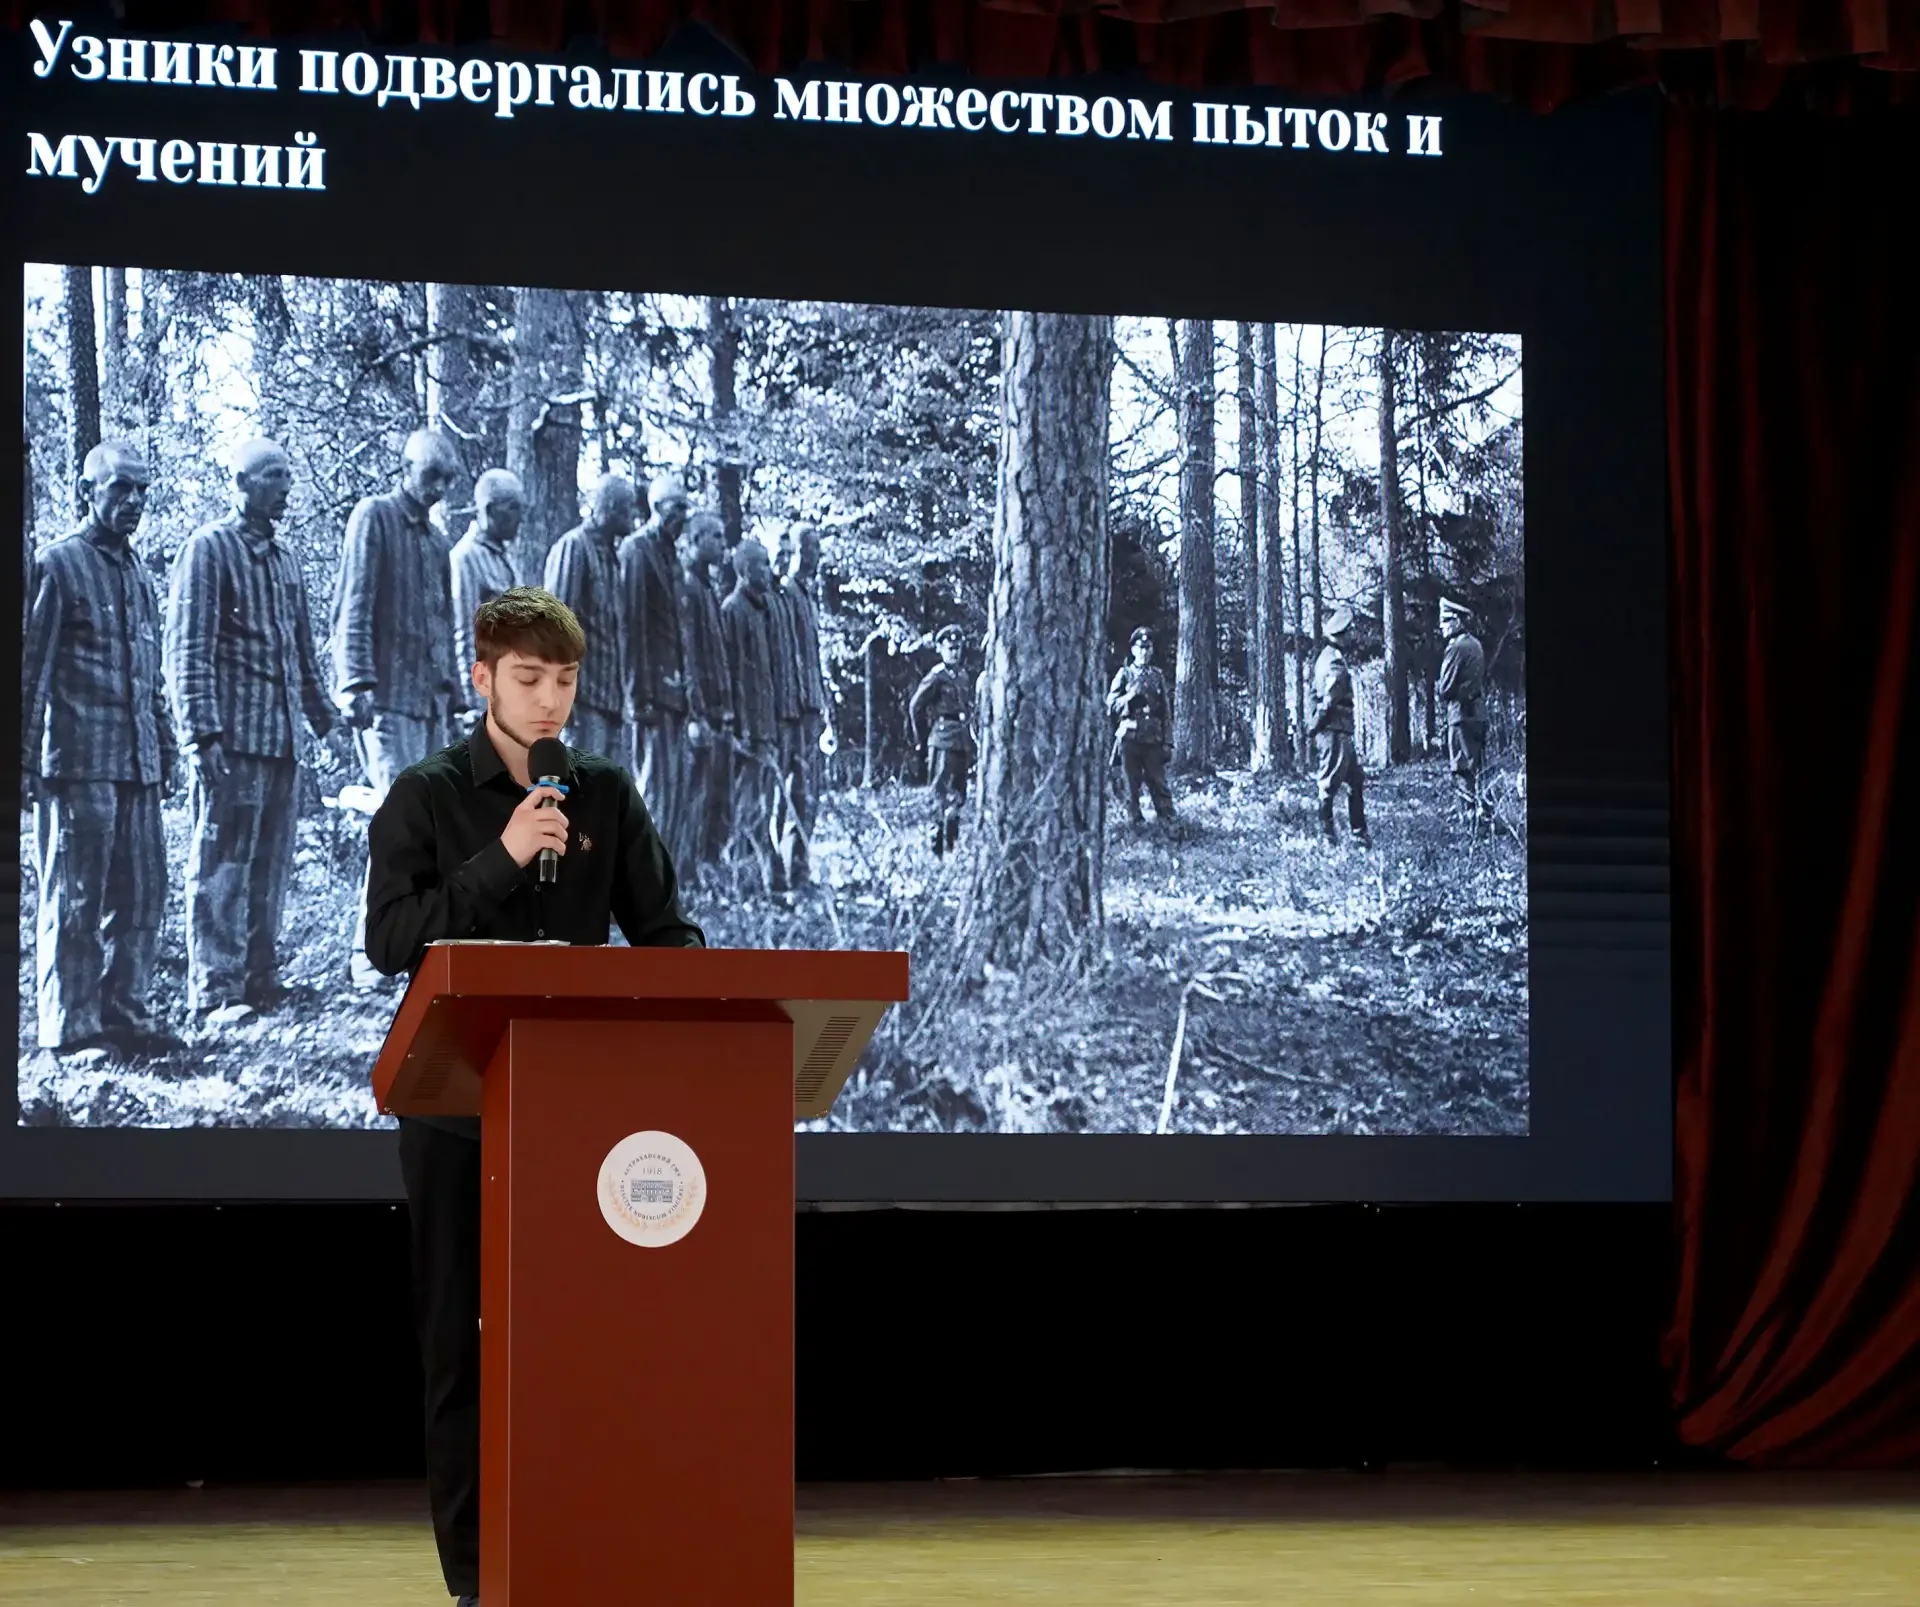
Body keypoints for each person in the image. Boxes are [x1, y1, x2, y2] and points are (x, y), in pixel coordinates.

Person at [365, 586, 701, 1607]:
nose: (549, 700)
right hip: (454, 1110)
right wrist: (503, 859)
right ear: (482, 678)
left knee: (582, 1339)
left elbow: (667, 935)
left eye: (564, 680)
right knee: (457, 1346)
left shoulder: (604, 791)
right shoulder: (425, 793)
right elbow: (391, 939)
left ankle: (584, 1545)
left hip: (579, 1115)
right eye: (527, 678)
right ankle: (477, 1577)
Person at [165, 438, 336, 1024]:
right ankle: (216, 990)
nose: (286, 487)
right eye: (274, 476)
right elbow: (188, 650)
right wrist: (200, 735)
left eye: (288, 476)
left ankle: (261, 977)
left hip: (282, 740)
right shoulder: (208, 549)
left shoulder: (286, 560)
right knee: (223, 865)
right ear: (240, 482)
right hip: (230, 743)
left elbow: (303, 654)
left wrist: (326, 725)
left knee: (271, 865)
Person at [22, 440, 180, 1056]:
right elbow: (30, 674)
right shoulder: (57, 565)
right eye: (120, 488)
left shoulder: (139, 575)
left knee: (142, 893)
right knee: (75, 896)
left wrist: (164, 749)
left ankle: (126, 1015)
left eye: (142, 490)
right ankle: (71, 1028)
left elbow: (151, 676)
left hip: (137, 763)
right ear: (87, 491)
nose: (134, 500)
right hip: (78, 762)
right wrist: (22, 763)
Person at [332, 428, 468, 988]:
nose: (438, 487)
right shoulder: (374, 517)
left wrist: (455, 695)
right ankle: (368, 954)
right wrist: (354, 684)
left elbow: (444, 624)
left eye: (446, 479)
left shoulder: (437, 543)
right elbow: (354, 604)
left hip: (430, 704)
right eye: (430, 475)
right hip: (386, 702)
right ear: (405, 470)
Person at [621, 472, 692, 854]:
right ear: (658, 507)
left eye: (685, 508)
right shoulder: (637, 551)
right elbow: (632, 627)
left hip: (676, 696)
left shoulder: (671, 556)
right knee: (653, 790)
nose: (683, 516)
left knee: (675, 791)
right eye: (677, 507)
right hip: (652, 696)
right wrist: (638, 695)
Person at [543, 473, 634, 759]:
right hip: (583, 701)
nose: (634, 516)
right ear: (612, 509)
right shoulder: (575, 547)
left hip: (611, 701)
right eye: (629, 508)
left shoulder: (612, 558)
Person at [719, 536, 783, 894]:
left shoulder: (763, 611)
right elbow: (732, 676)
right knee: (746, 807)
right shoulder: (733, 610)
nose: (769, 571)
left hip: (765, 727)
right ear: (745, 569)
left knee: (763, 804)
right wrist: (739, 727)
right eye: (763, 564)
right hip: (748, 730)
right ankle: (742, 880)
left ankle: (757, 879)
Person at [677, 511, 735, 870]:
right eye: (715, 536)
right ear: (696, 540)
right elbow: (688, 655)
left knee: (715, 794)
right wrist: (695, 713)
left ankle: (707, 867)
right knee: (694, 795)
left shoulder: (708, 589)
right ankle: (686, 870)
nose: (722, 544)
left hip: (717, 712)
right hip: (700, 714)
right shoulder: (687, 587)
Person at [774, 523, 830, 888]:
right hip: (791, 710)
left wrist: (822, 703)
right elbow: (787, 656)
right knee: (791, 790)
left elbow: (812, 658)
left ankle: (799, 867)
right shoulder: (785, 595)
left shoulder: (807, 596)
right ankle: (787, 870)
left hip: (810, 706)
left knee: (808, 790)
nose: (817, 556)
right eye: (811, 548)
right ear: (796, 551)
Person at [449, 469, 523, 719]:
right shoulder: (465, 558)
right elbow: (463, 633)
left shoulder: (505, 560)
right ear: (490, 510)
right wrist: (472, 704)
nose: (520, 517)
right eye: (513, 508)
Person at [909, 624, 976, 857]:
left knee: (959, 794)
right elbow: (915, 706)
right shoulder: (937, 676)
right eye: (950, 648)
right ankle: (935, 848)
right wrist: (921, 738)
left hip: (962, 740)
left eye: (957, 648)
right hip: (942, 739)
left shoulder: (963, 676)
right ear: (940, 649)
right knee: (939, 792)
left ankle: (952, 847)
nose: (954, 653)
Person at [1309, 607, 1369, 848]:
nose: (1352, 636)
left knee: (1355, 779)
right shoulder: (1334, 661)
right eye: (1348, 632)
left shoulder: (1326, 656)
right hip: (1335, 730)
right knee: (1328, 783)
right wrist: (1315, 725)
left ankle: (1359, 833)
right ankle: (1327, 837)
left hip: (1338, 730)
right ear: (1341, 635)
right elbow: (1329, 700)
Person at [1106, 626, 1176, 826]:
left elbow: (1165, 712)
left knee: (1158, 782)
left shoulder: (1157, 676)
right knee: (1131, 784)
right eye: (1140, 648)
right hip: (1130, 737)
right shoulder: (1124, 674)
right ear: (1133, 650)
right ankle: (1134, 824)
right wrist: (1129, 696)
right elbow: (1111, 704)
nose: (1144, 652)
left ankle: (1168, 822)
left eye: (1148, 648)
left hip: (1153, 738)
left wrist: (1168, 741)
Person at [1436, 595, 1493, 833]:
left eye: (1445, 621)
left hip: (1461, 715)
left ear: (1457, 621)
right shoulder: (1475, 644)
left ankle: (1470, 823)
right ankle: (1488, 818)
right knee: (1481, 768)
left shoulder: (1456, 647)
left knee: (1462, 768)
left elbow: (1444, 688)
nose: (1441, 626)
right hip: (1478, 714)